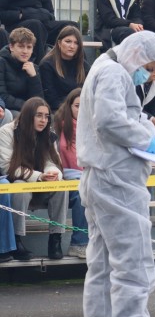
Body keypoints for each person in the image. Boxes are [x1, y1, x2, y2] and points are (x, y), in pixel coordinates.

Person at [76, 30, 155, 317]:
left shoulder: (104, 68)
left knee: (103, 266)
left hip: (103, 176)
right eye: (149, 67)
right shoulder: (114, 73)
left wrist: (142, 124)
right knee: (133, 268)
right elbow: (109, 122)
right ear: (136, 54)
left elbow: (115, 116)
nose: (149, 75)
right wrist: (146, 136)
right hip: (117, 179)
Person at [0, 96, 68, 260]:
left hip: (41, 183)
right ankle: (17, 240)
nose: (43, 120)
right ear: (28, 114)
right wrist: (39, 176)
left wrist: (53, 174)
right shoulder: (7, 132)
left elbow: (52, 161)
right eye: (39, 115)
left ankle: (55, 238)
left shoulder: (48, 134)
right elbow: (7, 166)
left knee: (61, 186)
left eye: (46, 116)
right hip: (19, 180)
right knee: (20, 187)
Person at [54, 88, 89, 259]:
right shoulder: (58, 126)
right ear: (69, 106)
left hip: (88, 176)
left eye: (85, 105)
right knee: (82, 195)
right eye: (77, 106)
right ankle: (79, 244)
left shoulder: (94, 127)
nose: (81, 110)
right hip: (65, 177)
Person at [39, 25, 90, 112]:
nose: (72, 46)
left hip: (81, 109)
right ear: (59, 43)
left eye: (76, 43)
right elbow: (51, 99)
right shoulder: (47, 65)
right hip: (58, 110)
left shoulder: (83, 65)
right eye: (68, 41)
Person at [0, 27, 44, 119]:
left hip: (28, 110)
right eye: (21, 46)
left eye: (29, 47)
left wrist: (33, 77)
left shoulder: (33, 68)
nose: (25, 51)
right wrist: (27, 106)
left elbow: (39, 100)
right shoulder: (2, 63)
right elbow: (2, 96)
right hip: (7, 110)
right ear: (11, 47)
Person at [137, 60, 155, 137]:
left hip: (146, 114)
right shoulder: (136, 79)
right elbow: (134, 106)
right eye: (152, 68)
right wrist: (152, 119)